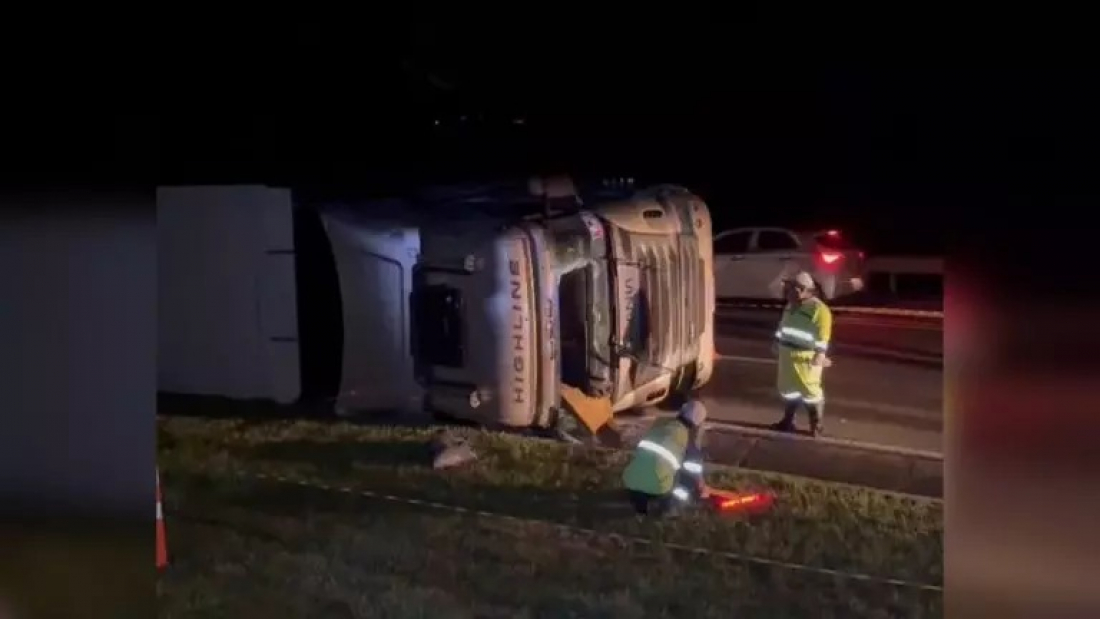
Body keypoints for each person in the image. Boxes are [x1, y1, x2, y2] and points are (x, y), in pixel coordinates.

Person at [770, 271, 833, 437]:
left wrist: (820, 353)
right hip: (787, 357)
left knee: (810, 392)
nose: (786, 291)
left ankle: (816, 425)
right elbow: (783, 326)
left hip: (806, 359)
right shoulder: (791, 306)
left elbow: (823, 335)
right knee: (789, 390)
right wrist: (777, 342)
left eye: (790, 288)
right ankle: (788, 421)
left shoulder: (819, 310)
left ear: (802, 289)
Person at [621, 400, 709, 516]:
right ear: (697, 425)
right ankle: (670, 507)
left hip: (631, 480)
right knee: (687, 482)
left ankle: (640, 502)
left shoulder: (660, 423)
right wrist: (702, 488)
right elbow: (694, 472)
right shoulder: (688, 440)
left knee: (654, 467)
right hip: (657, 486)